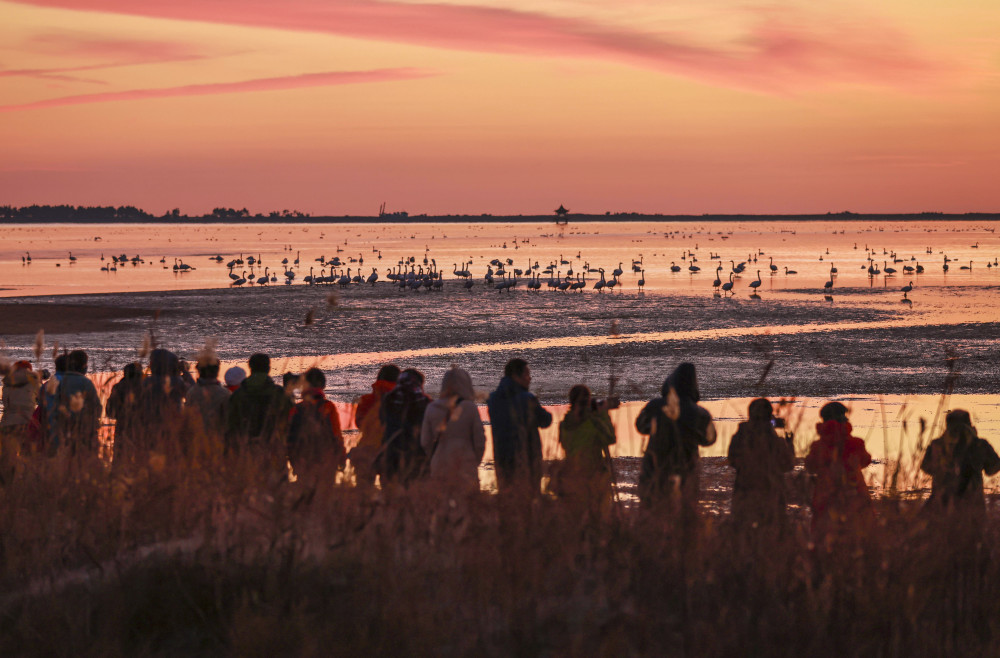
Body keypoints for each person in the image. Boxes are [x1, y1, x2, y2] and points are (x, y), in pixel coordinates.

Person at [636, 362, 716, 519]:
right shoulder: (701, 413)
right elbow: (710, 439)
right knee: (684, 515)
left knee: (652, 514)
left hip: (654, 470)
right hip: (687, 471)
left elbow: (640, 426)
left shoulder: (655, 406)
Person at [804, 401, 873, 546]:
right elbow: (866, 461)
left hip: (825, 497)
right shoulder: (856, 443)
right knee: (856, 537)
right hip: (854, 494)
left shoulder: (818, 446)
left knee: (824, 538)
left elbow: (810, 467)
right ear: (844, 419)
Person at [486, 358, 553, 496]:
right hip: (526, 459)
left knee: (508, 500)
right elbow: (545, 420)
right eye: (527, 374)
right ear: (516, 376)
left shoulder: (493, 399)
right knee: (528, 501)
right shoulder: (527, 399)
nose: (530, 378)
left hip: (502, 458)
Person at [920, 409, 1000, 522]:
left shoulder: (937, 445)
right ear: (969, 424)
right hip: (974, 509)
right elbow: (992, 469)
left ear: (947, 425)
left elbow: (926, 467)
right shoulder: (980, 444)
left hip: (943, 507)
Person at [727, 398, 795, 529]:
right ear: (769, 416)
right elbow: (788, 465)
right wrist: (789, 444)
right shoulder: (775, 441)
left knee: (744, 532)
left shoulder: (740, 437)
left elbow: (732, 460)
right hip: (771, 495)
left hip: (744, 492)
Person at [420, 367, 486, 494]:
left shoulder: (432, 407)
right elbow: (480, 442)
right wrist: (474, 460)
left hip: (439, 464)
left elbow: (425, 441)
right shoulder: (470, 407)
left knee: (441, 507)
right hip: (466, 465)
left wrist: (434, 457)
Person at [554, 384, 617, 508]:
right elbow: (610, 439)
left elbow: (565, 445)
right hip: (593, 476)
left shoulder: (564, 423)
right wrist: (602, 414)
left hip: (572, 475)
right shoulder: (593, 423)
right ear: (588, 400)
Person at [226, 353, 293, 467]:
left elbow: (230, 427)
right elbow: (290, 423)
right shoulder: (279, 394)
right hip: (274, 454)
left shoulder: (238, 395)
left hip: (246, 454)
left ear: (250, 368)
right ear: (268, 368)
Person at [287, 367, 345, 484]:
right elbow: (336, 434)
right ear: (322, 386)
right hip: (326, 460)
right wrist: (341, 458)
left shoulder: (296, 409)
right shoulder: (328, 407)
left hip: (302, 461)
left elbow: (290, 440)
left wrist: (294, 462)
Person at [378, 368, 431, 486]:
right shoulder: (425, 402)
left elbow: (382, 424)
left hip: (391, 455)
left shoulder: (388, 400)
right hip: (418, 456)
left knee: (391, 496)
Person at [351, 364, 399, 486]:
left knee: (363, 490)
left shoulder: (366, 399)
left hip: (366, 448)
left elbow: (359, 424)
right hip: (391, 450)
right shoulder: (399, 400)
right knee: (390, 491)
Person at [137, 348, 186, 457]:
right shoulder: (177, 381)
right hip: (172, 425)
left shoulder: (147, 382)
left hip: (150, 426)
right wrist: (185, 372)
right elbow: (190, 392)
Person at [51, 349, 102, 456]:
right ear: (83, 366)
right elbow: (97, 408)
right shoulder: (86, 382)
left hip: (63, 431)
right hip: (84, 432)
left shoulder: (59, 382)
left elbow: (53, 408)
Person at [184, 355, 231, 460]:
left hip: (196, 443)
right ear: (217, 371)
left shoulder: (192, 393)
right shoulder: (224, 393)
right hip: (218, 443)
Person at [1, 361, 41, 482]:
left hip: (6, 424)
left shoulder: (7, 383)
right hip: (27, 422)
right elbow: (41, 399)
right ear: (29, 369)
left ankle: (6, 487)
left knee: (7, 459)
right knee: (28, 456)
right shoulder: (33, 379)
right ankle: (25, 485)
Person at [104, 362, 144, 466]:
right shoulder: (147, 387)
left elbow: (109, 411)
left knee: (120, 460)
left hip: (123, 429)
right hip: (143, 429)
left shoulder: (118, 387)